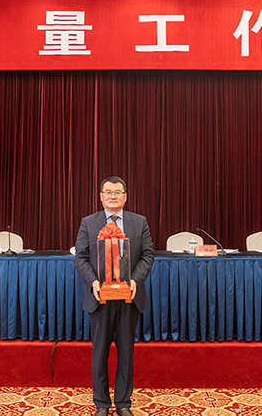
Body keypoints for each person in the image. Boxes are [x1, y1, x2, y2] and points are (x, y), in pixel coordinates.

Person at [74, 176, 155, 416]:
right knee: (100, 352)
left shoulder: (139, 222)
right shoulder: (88, 223)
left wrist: (134, 280)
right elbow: (80, 258)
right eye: (108, 192)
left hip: (129, 298)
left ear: (125, 197)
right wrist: (94, 282)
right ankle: (101, 403)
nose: (113, 196)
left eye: (118, 192)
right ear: (101, 197)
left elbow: (148, 255)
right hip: (100, 298)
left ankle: (123, 403)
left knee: (126, 354)